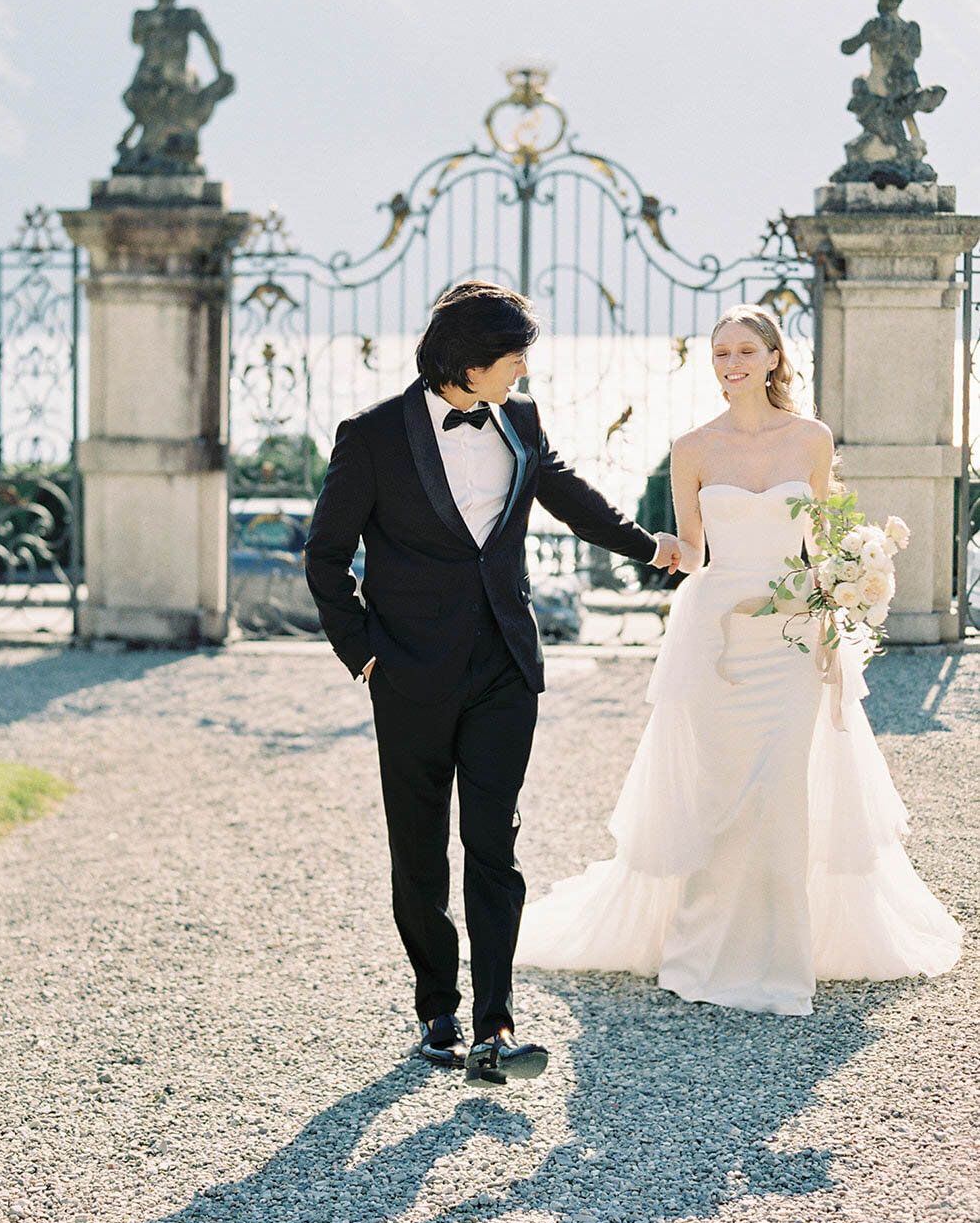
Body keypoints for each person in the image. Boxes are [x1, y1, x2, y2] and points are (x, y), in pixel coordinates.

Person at [515, 304, 962, 1014]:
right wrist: (656, 547)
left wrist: (855, 576)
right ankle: (700, 956)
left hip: (791, 640)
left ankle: (783, 961)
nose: (731, 364)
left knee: (780, 791)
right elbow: (695, 554)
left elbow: (830, 536)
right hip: (718, 636)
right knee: (720, 796)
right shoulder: (692, 448)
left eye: (745, 351)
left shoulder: (811, 440)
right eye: (720, 353)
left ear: (775, 358)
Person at [304, 281, 682, 1083]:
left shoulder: (523, 419)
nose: (522, 369)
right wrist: (364, 652)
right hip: (405, 671)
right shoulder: (371, 436)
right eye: (513, 357)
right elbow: (326, 557)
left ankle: (495, 1024)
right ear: (468, 361)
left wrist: (649, 548)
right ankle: (436, 1010)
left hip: (505, 667)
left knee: (494, 844)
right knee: (419, 851)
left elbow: (572, 498)